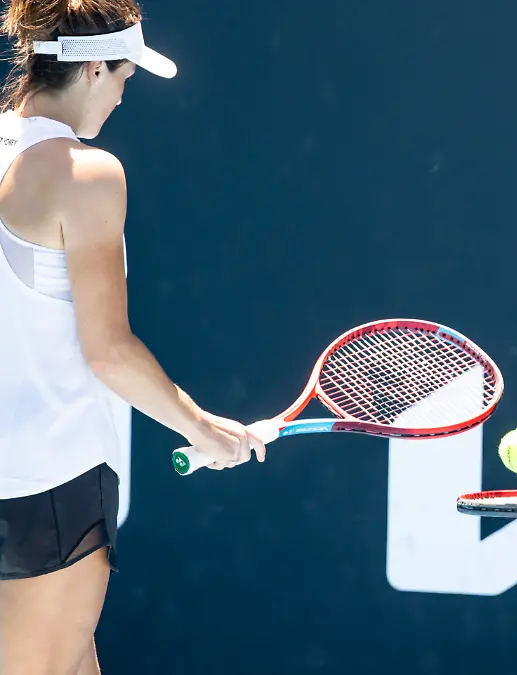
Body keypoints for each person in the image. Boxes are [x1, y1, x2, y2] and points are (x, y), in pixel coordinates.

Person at [0, 1, 265, 673]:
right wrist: (203, 427)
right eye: (123, 78)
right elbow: (108, 349)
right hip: (47, 489)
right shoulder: (87, 174)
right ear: (92, 69)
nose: (122, 97)